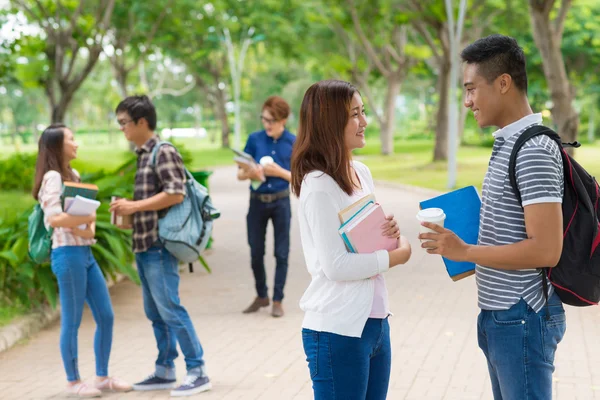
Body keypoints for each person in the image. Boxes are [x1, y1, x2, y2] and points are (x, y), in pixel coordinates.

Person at [419, 34, 566, 400]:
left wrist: (466, 250)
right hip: (500, 314)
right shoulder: (508, 142)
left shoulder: (533, 149)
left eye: (471, 89)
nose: (467, 101)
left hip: (522, 316)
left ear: (503, 83)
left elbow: (547, 251)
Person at [290, 80, 412, 400]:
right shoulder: (318, 185)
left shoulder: (361, 172)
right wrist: (395, 257)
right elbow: (336, 265)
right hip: (337, 331)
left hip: (374, 324)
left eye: (363, 111)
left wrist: (390, 234)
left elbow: (363, 238)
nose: (364, 122)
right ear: (330, 122)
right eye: (354, 114)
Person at [109, 95, 211, 397]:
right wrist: (128, 213)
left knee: (171, 309)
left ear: (142, 122)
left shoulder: (163, 151)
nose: (122, 129)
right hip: (143, 244)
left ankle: (198, 370)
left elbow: (176, 193)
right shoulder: (144, 153)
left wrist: (134, 206)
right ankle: (165, 370)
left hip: (159, 245)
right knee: (155, 312)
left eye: (124, 123)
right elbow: (152, 203)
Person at [33, 124, 132, 397]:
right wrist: (84, 219)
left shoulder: (73, 174)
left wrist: (86, 223)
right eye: (71, 139)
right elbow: (54, 218)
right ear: (57, 146)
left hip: (85, 253)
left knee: (106, 316)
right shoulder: (52, 178)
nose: (76, 144)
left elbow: (85, 219)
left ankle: (101, 377)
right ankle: (74, 381)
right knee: (73, 321)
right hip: (67, 254)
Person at [237, 96, 296, 318]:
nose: (267, 124)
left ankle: (278, 299)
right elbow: (240, 173)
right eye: (264, 119)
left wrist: (278, 171)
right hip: (257, 202)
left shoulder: (293, 142)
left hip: (281, 202)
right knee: (255, 251)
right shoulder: (254, 139)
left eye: (272, 120)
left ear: (283, 119)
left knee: (281, 253)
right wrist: (249, 173)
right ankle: (262, 295)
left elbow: (300, 177)